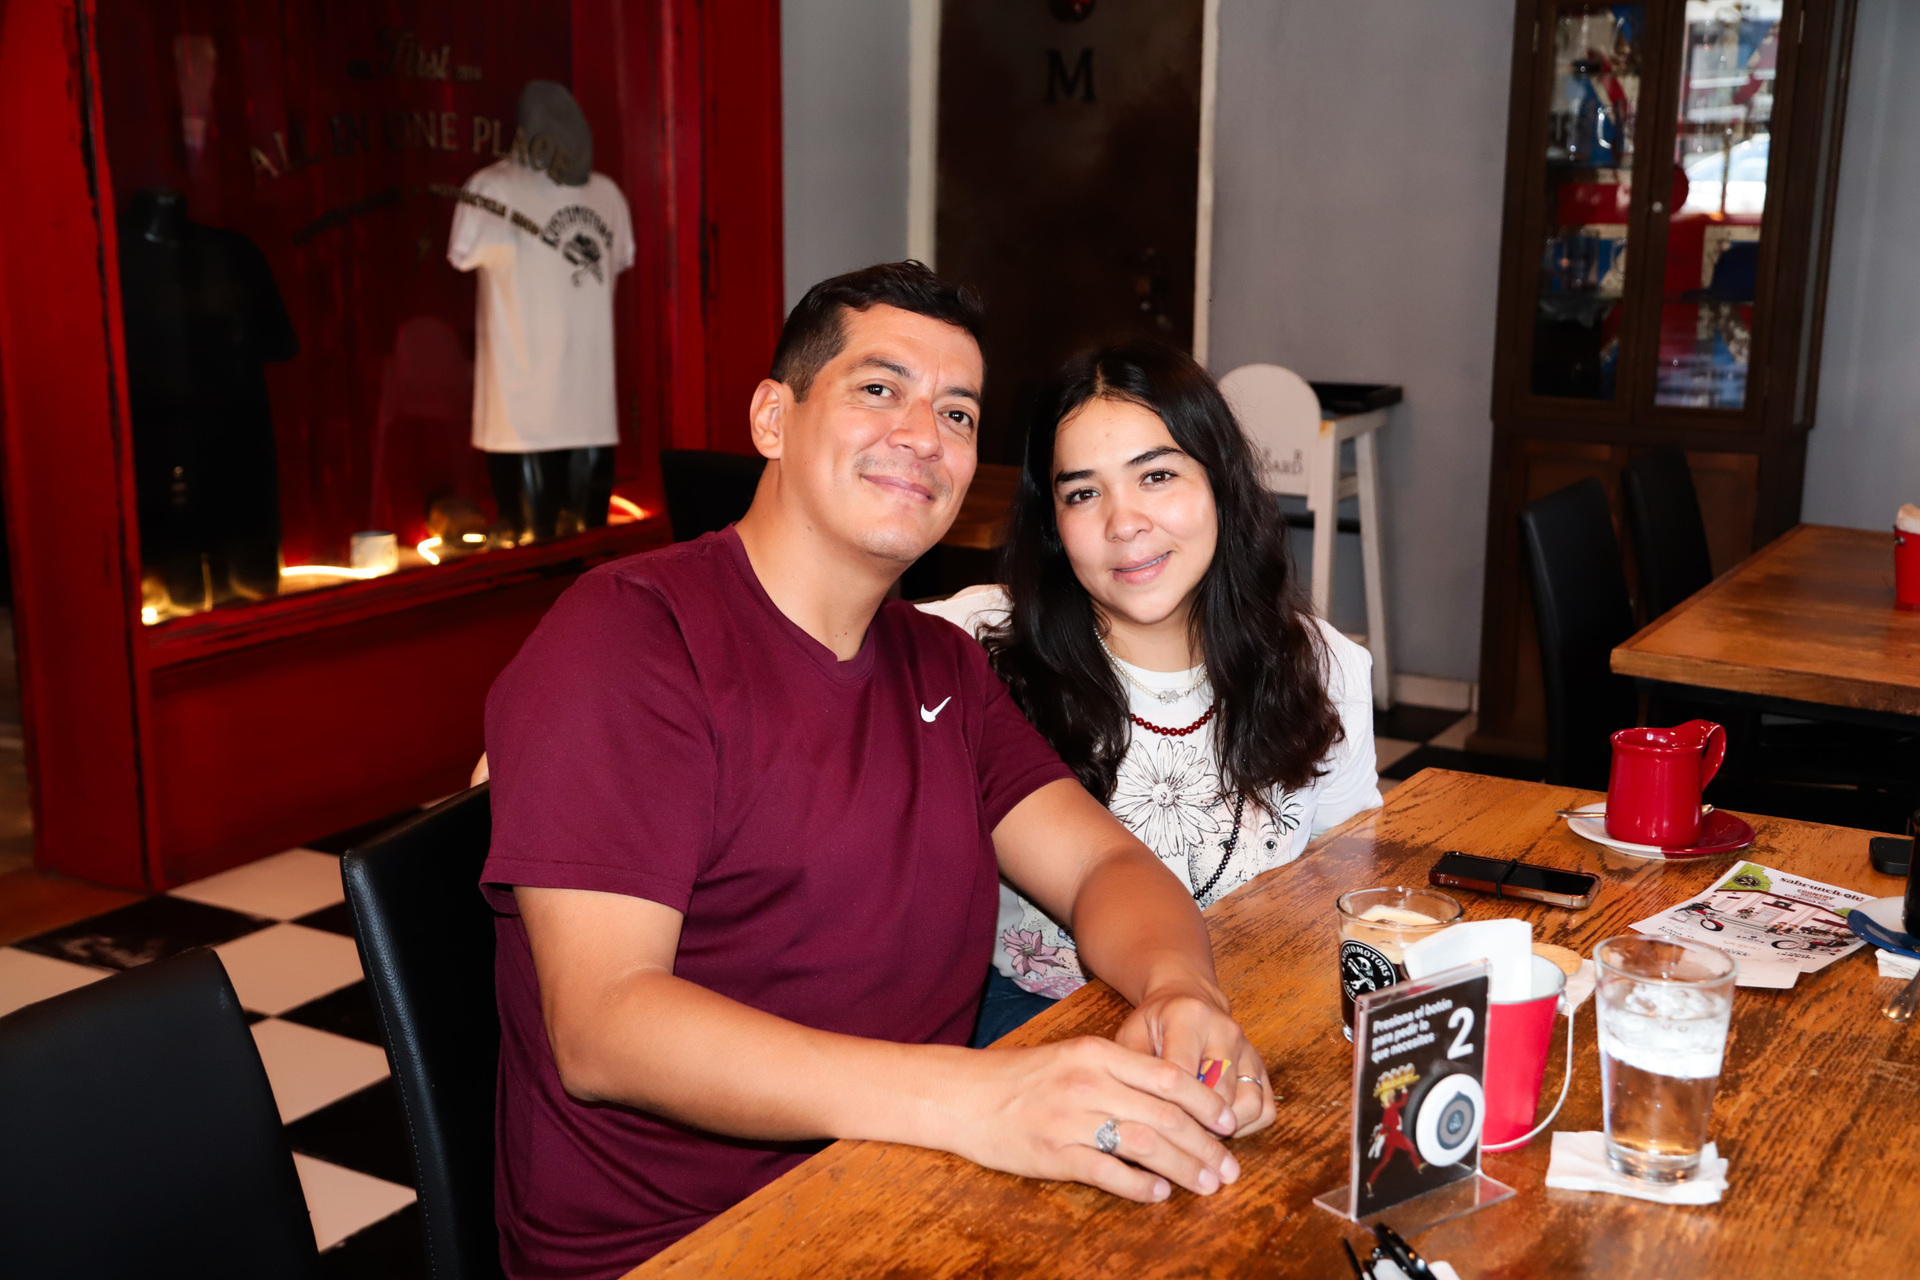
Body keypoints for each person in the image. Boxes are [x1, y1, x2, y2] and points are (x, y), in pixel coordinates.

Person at [479, 263, 1273, 1279]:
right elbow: (604, 1025)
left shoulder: (939, 663)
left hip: (908, 1187)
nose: (923, 434)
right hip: (686, 1247)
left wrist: (1178, 988)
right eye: (878, 388)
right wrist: (979, 1099)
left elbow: (1099, 866)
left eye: (956, 412)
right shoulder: (630, 636)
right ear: (773, 418)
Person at [919, 342, 1381, 1046]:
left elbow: (1345, 892)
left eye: (1157, 475)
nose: (1124, 522)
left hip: (1249, 1008)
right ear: (1052, 525)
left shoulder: (1324, 668)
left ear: (1220, 482)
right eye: (1083, 493)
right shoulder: (973, 643)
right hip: (1029, 1026)